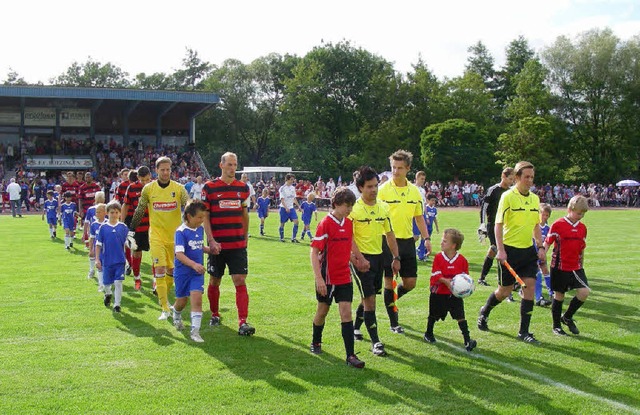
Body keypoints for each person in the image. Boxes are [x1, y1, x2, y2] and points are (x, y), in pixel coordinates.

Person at [477, 161, 546, 344]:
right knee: (503, 290)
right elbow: (498, 225)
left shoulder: (535, 199)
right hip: (509, 251)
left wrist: (540, 246)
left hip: (527, 252)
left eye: (532, 177)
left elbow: (536, 226)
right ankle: (485, 311)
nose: (530, 181)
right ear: (517, 178)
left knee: (529, 287)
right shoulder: (507, 197)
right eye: (526, 177)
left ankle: (524, 331)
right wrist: (500, 250)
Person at [310, 187, 367, 368]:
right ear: (335, 204)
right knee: (322, 311)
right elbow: (314, 252)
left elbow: (349, 242)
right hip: (327, 277)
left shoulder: (348, 223)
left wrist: (358, 259)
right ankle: (316, 341)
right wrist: (319, 279)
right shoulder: (325, 224)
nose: (349, 209)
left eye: (351, 205)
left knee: (346, 313)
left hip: (344, 276)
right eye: (346, 205)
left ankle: (350, 355)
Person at [377, 149, 431, 334]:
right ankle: (394, 322)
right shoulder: (382, 191)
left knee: (410, 283)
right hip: (386, 241)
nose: (396, 171)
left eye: (400, 168)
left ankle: (390, 300)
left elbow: (419, 217)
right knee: (389, 282)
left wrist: (427, 239)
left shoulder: (415, 192)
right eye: (393, 167)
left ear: (408, 168)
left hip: (408, 241)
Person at [202, 152, 255, 336]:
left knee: (239, 280)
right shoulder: (209, 188)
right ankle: (215, 314)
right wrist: (210, 239)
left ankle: (243, 322)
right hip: (217, 244)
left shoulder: (243, 188)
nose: (233, 168)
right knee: (215, 280)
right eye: (230, 164)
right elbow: (205, 215)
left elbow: (244, 214)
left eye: (235, 164)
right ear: (221, 165)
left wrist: (245, 235)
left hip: (237, 243)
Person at [129, 157, 189, 320]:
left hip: (175, 238)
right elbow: (140, 210)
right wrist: (131, 229)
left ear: (171, 170)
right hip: (156, 236)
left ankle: (162, 294)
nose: (165, 172)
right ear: (156, 170)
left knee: (171, 271)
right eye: (162, 169)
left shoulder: (179, 189)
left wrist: (192, 227)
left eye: (168, 169)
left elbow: (188, 207)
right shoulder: (149, 189)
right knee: (160, 269)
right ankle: (164, 308)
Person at [350, 166, 400, 357]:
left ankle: (356, 327)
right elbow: (349, 238)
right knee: (370, 301)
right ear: (361, 188)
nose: (374, 189)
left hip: (378, 258)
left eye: (376, 186)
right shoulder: (354, 209)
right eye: (369, 186)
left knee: (369, 297)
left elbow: (389, 234)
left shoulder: (383, 207)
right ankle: (376, 342)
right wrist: (359, 259)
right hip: (360, 259)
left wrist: (395, 258)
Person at [424, 229, 477, 351]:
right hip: (438, 293)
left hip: (454, 295)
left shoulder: (462, 260)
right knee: (433, 315)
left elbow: (465, 278)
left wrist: (466, 287)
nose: (441, 243)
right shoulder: (438, 257)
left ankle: (467, 340)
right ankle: (428, 333)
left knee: (460, 316)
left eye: (444, 241)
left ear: (453, 246)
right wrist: (447, 282)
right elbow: (436, 274)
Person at [544, 195, 590, 336]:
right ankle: (556, 326)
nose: (580, 216)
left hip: (576, 267)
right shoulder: (558, 224)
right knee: (559, 295)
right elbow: (548, 242)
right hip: (559, 266)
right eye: (578, 213)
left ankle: (567, 317)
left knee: (584, 292)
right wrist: (541, 256)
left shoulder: (582, 228)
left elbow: (581, 247)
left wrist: (581, 262)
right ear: (569, 209)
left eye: (583, 213)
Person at [171, 200, 214, 343]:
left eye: (203, 217)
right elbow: (179, 254)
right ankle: (176, 315)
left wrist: (209, 250)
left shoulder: (200, 230)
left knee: (197, 299)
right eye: (199, 217)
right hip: (183, 272)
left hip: (197, 273)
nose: (202, 220)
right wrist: (194, 264)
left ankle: (195, 331)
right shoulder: (181, 232)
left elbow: (198, 246)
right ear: (189, 216)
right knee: (181, 301)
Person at [477, 167, 515, 286]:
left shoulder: (511, 192)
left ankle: (482, 277)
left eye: (513, 179)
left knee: (493, 251)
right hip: (493, 225)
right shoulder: (493, 190)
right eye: (510, 179)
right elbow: (484, 208)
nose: (512, 182)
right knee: (498, 249)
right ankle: (504, 281)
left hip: (506, 226)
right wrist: (482, 224)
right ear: (503, 176)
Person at [122, 166, 152, 291]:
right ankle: (137, 278)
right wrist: (121, 223)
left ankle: (156, 281)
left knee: (156, 254)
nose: (145, 182)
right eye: (143, 180)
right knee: (137, 252)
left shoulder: (154, 186)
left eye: (147, 179)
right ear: (138, 177)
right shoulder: (132, 188)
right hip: (138, 226)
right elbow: (126, 205)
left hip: (153, 227)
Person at [96, 201, 129, 313]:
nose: (114, 215)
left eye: (116, 212)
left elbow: (127, 243)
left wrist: (131, 245)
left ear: (120, 213)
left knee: (118, 282)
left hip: (120, 261)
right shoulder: (103, 228)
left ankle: (117, 305)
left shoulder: (123, 227)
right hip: (107, 261)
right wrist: (97, 259)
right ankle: (108, 293)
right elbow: (98, 245)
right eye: (111, 212)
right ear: (107, 213)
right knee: (106, 283)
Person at [534, 203, 553, 307]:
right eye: (543, 214)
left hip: (541, 253)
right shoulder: (533, 226)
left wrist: (543, 253)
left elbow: (548, 242)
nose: (545, 217)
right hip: (532, 253)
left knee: (545, 270)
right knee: (537, 272)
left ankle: (551, 292)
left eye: (547, 215)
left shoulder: (548, 228)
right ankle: (538, 296)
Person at [89, 203, 107, 292]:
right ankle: (101, 284)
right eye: (96, 212)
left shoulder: (108, 223)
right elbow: (92, 238)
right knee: (99, 266)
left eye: (99, 212)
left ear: (105, 212)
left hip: (108, 250)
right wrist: (91, 249)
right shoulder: (94, 224)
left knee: (107, 267)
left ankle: (107, 282)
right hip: (98, 250)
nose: (97, 214)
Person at [278, 174, 301, 242]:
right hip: (283, 208)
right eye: (291, 180)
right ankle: (281, 238)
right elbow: (282, 199)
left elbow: (294, 198)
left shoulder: (292, 188)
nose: (292, 181)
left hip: (291, 208)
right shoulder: (282, 188)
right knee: (282, 223)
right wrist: (286, 208)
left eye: (293, 180)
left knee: (296, 221)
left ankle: (293, 238)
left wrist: (299, 206)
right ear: (287, 179)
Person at [413, 171, 429, 261]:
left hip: (422, 214)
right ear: (417, 178)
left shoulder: (423, 190)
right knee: (415, 237)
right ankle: (406, 249)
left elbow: (424, 203)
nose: (423, 181)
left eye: (424, 179)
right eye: (421, 179)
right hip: (415, 215)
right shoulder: (412, 188)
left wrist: (426, 216)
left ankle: (420, 252)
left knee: (424, 235)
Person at [424, 194, 440, 259]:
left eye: (434, 201)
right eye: (432, 200)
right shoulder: (426, 208)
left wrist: (437, 227)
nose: (433, 202)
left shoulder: (434, 209)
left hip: (430, 227)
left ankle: (423, 250)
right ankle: (424, 253)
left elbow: (434, 219)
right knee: (425, 240)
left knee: (428, 239)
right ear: (428, 200)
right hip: (425, 227)